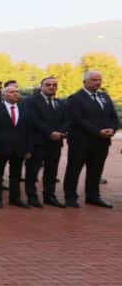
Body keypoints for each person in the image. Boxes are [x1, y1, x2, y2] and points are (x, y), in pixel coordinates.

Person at [63, 71, 118, 208]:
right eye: (94, 80)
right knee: (74, 170)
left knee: (96, 170)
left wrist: (112, 129)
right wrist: (98, 131)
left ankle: (93, 196)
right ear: (85, 82)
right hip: (81, 142)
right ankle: (70, 197)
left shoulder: (104, 96)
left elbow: (113, 116)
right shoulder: (75, 98)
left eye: (99, 80)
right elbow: (77, 120)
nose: (98, 82)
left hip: (101, 142)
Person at [24, 77, 69, 208]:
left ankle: (49, 196)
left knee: (51, 171)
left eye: (54, 85)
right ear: (41, 86)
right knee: (33, 171)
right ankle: (32, 197)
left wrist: (60, 132)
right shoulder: (30, 101)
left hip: (56, 143)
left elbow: (67, 120)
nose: (51, 87)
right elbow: (34, 120)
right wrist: (50, 132)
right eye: (48, 84)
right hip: (38, 142)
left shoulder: (61, 102)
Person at [0, 83, 31, 208]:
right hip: (0, 149)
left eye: (17, 92)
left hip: (19, 148)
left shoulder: (24, 110)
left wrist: (28, 149)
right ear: (4, 95)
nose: (16, 94)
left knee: (16, 175)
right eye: (12, 92)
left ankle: (15, 198)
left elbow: (29, 131)